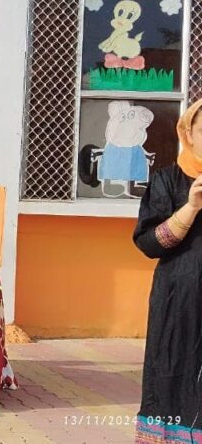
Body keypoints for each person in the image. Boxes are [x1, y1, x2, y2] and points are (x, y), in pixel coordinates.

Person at [133, 99, 202, 442]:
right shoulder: (167, 180)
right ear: (188, 133)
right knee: (173, 369)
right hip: (179, 302)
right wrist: (190, 208)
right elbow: (148, 244)